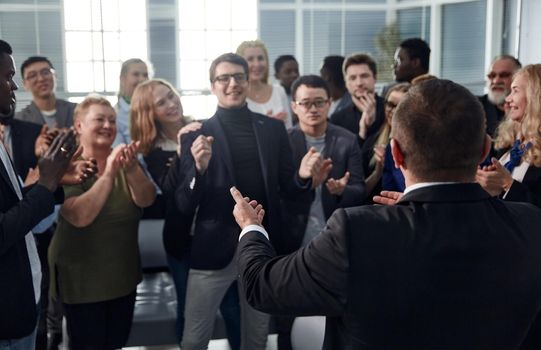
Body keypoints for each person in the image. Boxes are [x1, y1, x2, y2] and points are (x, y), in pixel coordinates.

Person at [231, 78, 541, 349]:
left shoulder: (357, 231)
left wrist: (251, 226)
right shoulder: (529, 224)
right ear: (486, 148)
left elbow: (261, 285)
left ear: (395, 152)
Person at [168, 53, 320, 350]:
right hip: (212, 249)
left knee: (257, 337)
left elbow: (290, 190)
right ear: (212, 86)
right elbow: (184, 203)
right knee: (194, 338)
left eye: (238, 76)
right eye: (223, 78)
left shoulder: (273, 130)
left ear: (249, 81)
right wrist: (198, 170)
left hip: (262, 246)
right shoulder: (195, 134)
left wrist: (303, 176)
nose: (232, 84)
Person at [130, 78, 241, 348]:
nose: (171, 104)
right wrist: (182, 149)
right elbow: (172, 194)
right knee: (187, 308)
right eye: (161, 102)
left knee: (231, 305)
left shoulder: (205, 128)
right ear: (149, 113)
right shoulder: (150, 150)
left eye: (171, 95)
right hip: (182, 240)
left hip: (218, 234)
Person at [48, 95, 156, 349]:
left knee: (116, 342)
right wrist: (108, 172)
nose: (107, 125)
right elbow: (80, 216)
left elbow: (146, 199)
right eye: (99, 119)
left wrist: (129, 170)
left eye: (112, 120)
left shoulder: (126, 161)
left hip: (123, 276)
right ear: (79, 127)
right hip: (82, 280)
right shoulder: (67, 167)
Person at [277, 75, 365, 349]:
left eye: (319, 102)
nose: (312, 109)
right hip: (292, 237)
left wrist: (340, 190)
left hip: (333, 239)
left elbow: (359, 189)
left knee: (334, 314)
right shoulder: (283, 140)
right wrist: (302, 179)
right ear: (294, 106)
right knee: (288, 314)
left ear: (329, 103)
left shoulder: (347, 139)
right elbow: (278, 190)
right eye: (306, 103)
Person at [0, 39, 78, 349]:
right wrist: (45, 183)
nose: (14, 86)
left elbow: (13, 204)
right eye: (8, 77)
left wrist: (54, 180)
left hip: (23, 298)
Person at [476, 64, 541, 210]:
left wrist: (508, 184)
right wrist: (488, 184)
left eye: (515, 91)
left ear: (535, 96)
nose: (508, 99)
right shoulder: (512, 142)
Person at [361, 82, 410, 200]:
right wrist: (378, 172)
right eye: (390, 104)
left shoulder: (417, 144)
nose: (393, 110)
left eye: (400, 106)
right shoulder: (372, 141)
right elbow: (359, 192)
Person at [330, 53, 385, 148]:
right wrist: (363, 131)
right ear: (346, 83)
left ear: (375, 78)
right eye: (352, 78)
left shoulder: (391, 108)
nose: (359, 83)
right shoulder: (337, 119)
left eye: (364, 76)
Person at [236, 40, 293, 128]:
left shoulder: (279, 91)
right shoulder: (235, 95)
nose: (257, 64)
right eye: (250, 59)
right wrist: (266, 124)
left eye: (260, 58)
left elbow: (289, 129)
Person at [15, 56, 76, 129]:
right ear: (25, 84)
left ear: (55, 76)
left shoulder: (76, 110)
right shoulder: (19, 120)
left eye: (45, 72)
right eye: (32, 75)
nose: (41, 79)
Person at [478, 55, 522, 137]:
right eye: (492, 76)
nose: (496, 81)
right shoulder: (475, 107)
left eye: (504, 75)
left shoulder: (530, 111)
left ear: (519, 78)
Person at [114, 58, 149, 146]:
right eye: (136, 74)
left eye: (145, 75)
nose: (142, 80)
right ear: (122, 79)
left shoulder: (156, 109)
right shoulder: (115, 116)